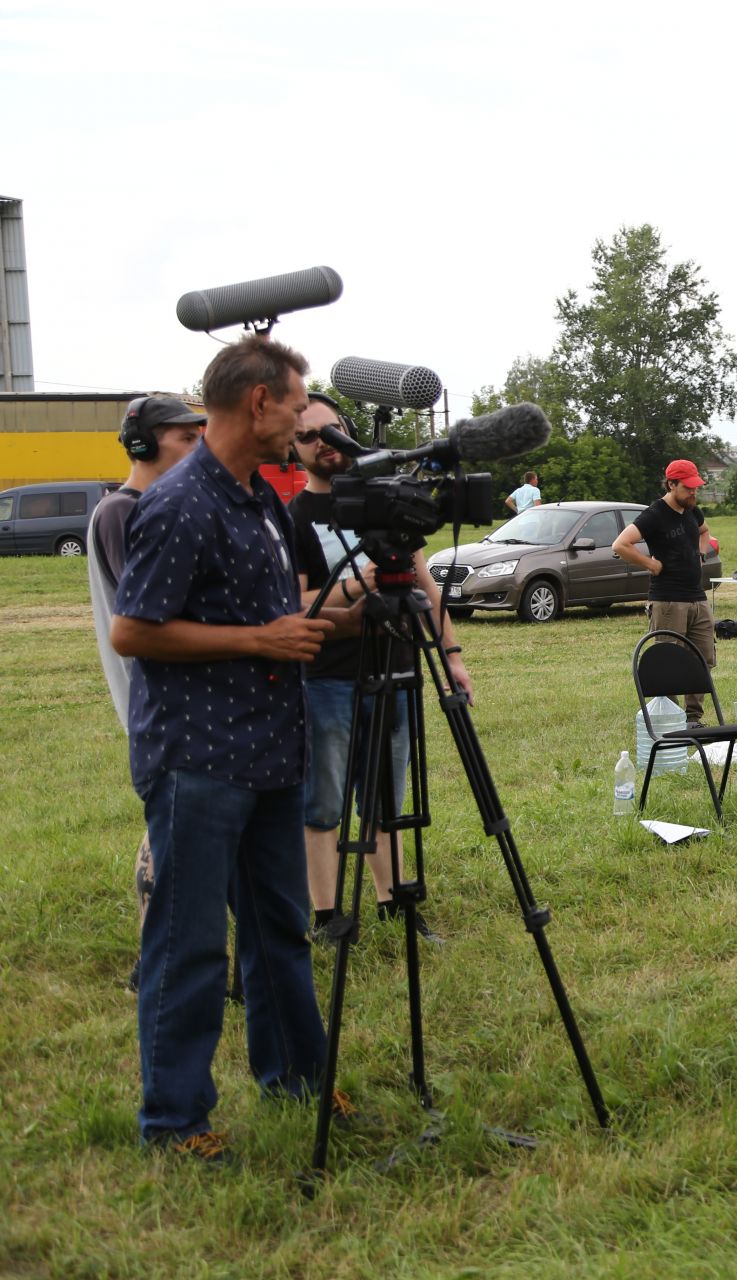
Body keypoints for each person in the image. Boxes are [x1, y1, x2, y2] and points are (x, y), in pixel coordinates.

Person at [110, 336, 336, 1157]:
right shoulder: (179, 502)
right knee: (191, 943)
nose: (304, 426)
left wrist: (323, 620)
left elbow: (275, 617)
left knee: (280, 929)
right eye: (296, 406)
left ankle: (298, 1078)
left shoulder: (257, 499)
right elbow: (134, 631)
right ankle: (174, 1122)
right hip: (200, 761)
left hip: (270, 754)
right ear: (258, 402)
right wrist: (260, 641)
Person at [289, 394, 472, 936]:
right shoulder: (294, 518)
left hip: (396, 669)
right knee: (323, 801)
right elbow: (292, 605)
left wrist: (452, 654)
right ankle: (327, 917)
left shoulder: (386, 502)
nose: (324, 444)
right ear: (292, 449)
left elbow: (424, 583)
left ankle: (394, 905)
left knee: (387, 800)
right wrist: (355, 585)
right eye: (308, 437)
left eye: (333, 431)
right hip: (327, 679)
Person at [87, 395, 205, 990]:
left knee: (185, 831)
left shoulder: (152, 505)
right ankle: (149, 966)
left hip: (182, 693)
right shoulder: (122, 511)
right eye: (186, 438)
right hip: (157, 696)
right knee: (165, 834)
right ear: (146, 442)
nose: (196, 446)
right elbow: (153, 613)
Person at [615, 459, 716, 726]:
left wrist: (701, 553)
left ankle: (694, 719)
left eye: (696, 487)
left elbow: (705, 533)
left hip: (697, 598)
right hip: (668, 601)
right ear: (671, 484)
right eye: (688, 487)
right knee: (669, 661)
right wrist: (650, 564)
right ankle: (670, 720)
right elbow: (621, 544)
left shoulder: (693, 510)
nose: (694, 493)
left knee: (702, 659)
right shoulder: (654, 514)